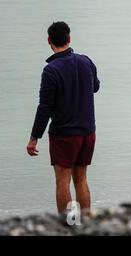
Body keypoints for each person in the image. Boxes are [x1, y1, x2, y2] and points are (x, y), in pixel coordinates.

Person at [26, 21, 100, 214]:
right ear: (69, 38)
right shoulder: (86, 61)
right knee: (81, 179)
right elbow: (96, 87)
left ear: (49, 41)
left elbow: (45, 107)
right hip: (88, 132)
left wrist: (34, 137)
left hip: (65, 134)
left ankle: (67, 225)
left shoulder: (51, 70)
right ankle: (86, 223)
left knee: (63, 181)